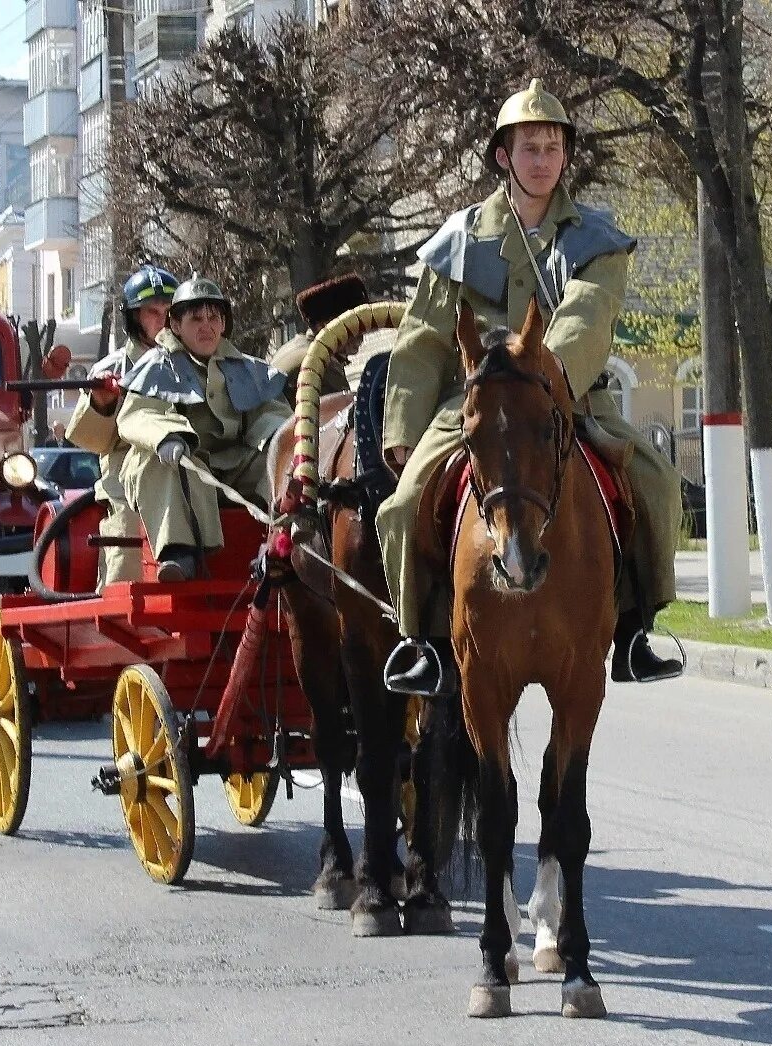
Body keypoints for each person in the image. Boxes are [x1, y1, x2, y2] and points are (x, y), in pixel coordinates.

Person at [378, 80, 684, 695]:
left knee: (656, 481)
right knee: (405, 504)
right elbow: (424, 340)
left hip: (565, 398)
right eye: (528, 148)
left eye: (552, 147)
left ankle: (634, 629)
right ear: (503, 157)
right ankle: (424, 643)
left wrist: (546, 380)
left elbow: (587, 317)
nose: (541, 159)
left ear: (566, 155)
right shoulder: (459, 240)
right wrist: (404, 432)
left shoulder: (596, 239)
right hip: (474, 405)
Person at [116, 277, 290, 582]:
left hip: (236, 466)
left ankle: (286, 542)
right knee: (162, 464)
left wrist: (277, 440)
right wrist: (168, 437)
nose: (206, 326)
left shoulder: (248, 368)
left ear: (224, 324)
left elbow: (273, 415)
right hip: (183, 460)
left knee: (279, 464)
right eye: (195, 318)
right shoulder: (156, 366)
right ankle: (178, 554)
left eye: (214, 317)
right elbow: (140, 415)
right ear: (176, 326)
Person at [66, 264, 176, 586]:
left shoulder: (192, 361)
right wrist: (102, 402)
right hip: (125, 473)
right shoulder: (110, 368)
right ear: (133, 317)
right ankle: (117, 616)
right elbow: (94, 443)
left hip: (184, 462)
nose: (163, 320)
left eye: (170, 311)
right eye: (152, 312)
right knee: (128, 529)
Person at [269, 273, 394, 398]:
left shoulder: (295, 347)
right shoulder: (321, 363)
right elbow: (343, 414)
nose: (360, 338)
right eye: (353, 326)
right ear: (324, 325)